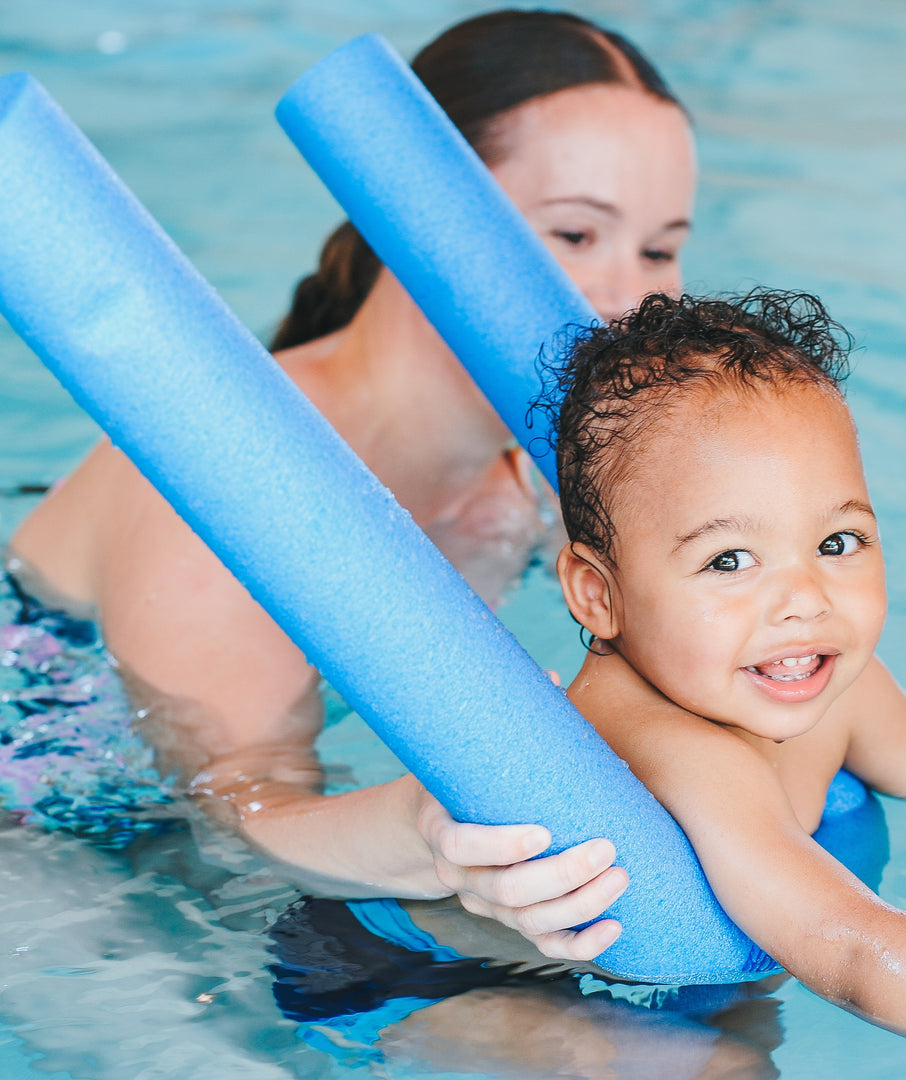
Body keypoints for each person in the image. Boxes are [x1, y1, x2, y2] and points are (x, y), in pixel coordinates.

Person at [3, 10, 696, 960]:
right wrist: (425, 839)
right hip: (52, 818)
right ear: (417, 217)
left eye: (659, 251)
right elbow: (236, 803)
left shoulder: (533, 485)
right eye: (574, 233)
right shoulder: (228, 469)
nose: (626, 300)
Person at [537, 290, 906, 1077]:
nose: (805, 600)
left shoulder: (834, 687)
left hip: (703, 989)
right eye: (729, 560)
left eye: (837, 540)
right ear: (599, 595)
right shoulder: (670, 746)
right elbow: (855, 948)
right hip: (466, 990)